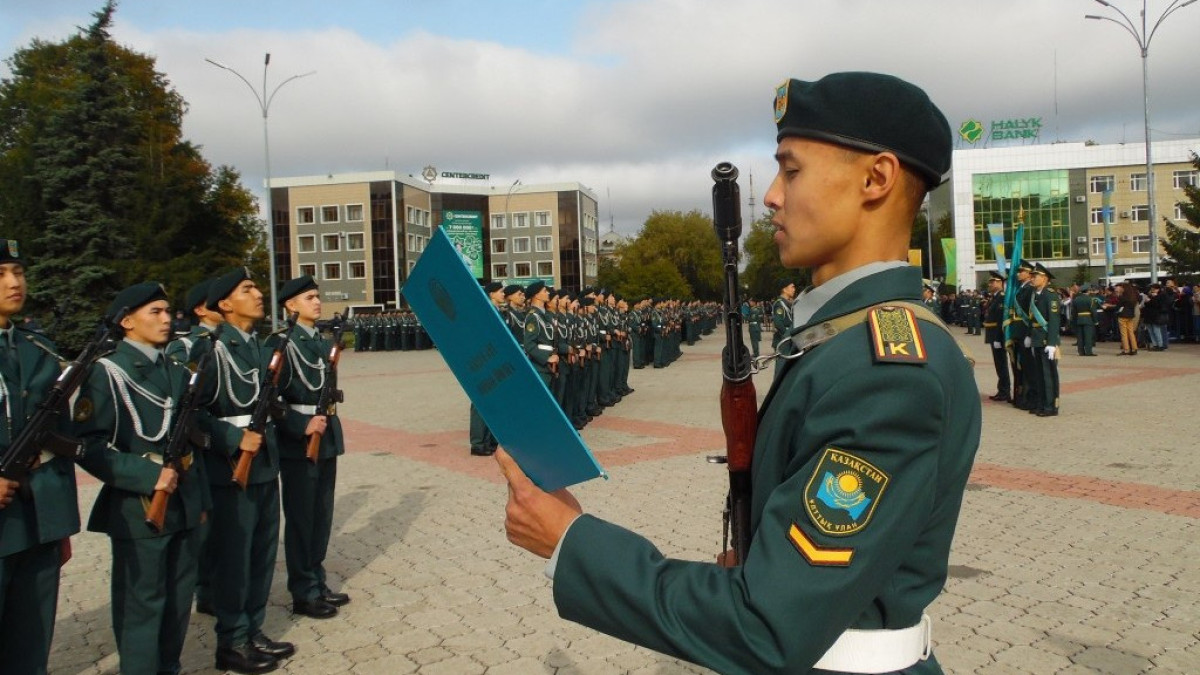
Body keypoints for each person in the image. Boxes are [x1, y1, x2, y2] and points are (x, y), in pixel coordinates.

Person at [497, 72, 981, 674]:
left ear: (875, 178)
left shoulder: (885, 372)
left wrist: (570, 541)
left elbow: (766, 626)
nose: (773, 195)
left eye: (792, 169)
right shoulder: (847, 340)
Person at [74, 282, 209, 675]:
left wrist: (198, 502)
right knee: (142, 606)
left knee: (178, 601)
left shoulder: (175, 370)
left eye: (169, 311)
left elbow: (191, 443)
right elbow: (89, 445)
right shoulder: (108, 372)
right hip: (139, 508)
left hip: (182, 504)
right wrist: (150, 475)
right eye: (155, 312)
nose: (167, 319)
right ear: (127, 321)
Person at [200, 267, 294, 673]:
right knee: (235, 558)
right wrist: (232, 439)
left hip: (264, 462)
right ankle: (232, 641)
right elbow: (191, 415)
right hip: (230, 467)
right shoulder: (208, 350)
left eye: (256, 287)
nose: (258, 294)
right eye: (247, 289)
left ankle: (253, 630)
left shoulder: (259, 347)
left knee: (261, 552)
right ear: (224, 303)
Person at [0, 239, 79, 675]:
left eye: (19, 272)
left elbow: (62, 434)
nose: (14, 283)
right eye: (1, 275)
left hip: (40, 515)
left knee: (32, 641)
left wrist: (61, 518)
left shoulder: (37, 347)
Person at [276, 275, 350, 621]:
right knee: (302, 518)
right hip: (301, 439)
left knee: (321, 515)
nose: (317, 302)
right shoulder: (281, 343)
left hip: (326, 434)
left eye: (318, 296)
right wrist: (299, 425)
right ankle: (302, 590)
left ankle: (316, 582)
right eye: (309, 298)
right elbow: (270, 399)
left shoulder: (320, 342)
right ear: (290, 305)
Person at [1027, 264, 1061, 417]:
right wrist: (1030, 335)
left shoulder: (1050, 295)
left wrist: (1052, 343)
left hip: (1047, 340)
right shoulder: (1036, 294)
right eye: (1032, 276)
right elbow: (1031, 318)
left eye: (1035, 276)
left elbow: (1054, 320)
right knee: (1039, 374)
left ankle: (1051, 406)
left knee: (1048, 375)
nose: (1032, 278)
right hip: (1037, 339)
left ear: (1045, 278)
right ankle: (1041, 403)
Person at [982, 272, 1011, 401]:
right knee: (998, 364)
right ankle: (1002, 389)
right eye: (990, 282)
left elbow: (1000, 320)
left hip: (997, 335)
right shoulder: (994, 297)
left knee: (1002, 364)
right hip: (993, 335)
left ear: (1000, 283)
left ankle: (1005, 391)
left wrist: (999, 338)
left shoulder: (1002, 297)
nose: (990, 284)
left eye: (993, 282)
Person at [1115, 282, 1140, 355]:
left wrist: (1118, 295)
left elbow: (1118, 306)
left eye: (1122, 287)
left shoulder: (1122, 297)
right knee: (1131, 332)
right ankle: (1134, 348)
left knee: (1124, 334)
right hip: (1130, 315)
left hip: (1123, 316)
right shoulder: (1133, 297)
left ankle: (1126, 349)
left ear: (1124, 289)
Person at [770, 281, 796, 349]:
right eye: (792, 287)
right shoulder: (780, 304)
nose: (794, 289)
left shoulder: (788, 303)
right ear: (784, 290)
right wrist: (787, 336)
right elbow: (778, 323)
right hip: (783, 341)